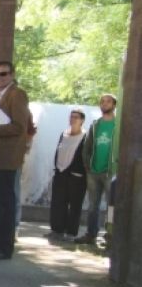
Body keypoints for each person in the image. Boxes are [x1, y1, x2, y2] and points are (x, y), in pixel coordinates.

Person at [0, 61, 30, 260]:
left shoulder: (17, 94)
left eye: (3, 74)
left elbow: (19, 126)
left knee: (6, 203)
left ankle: (5, 246)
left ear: (12, 74)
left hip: (8, 158)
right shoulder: (0, 96)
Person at [75, 94, 118, 245]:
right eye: (102, 101)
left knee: (111, 206)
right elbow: (87, 147)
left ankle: (111, 237)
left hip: (110, 172)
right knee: (93, 205)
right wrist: (87, 165)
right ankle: (90, 234)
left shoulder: (119, 125)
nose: (104, 104)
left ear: (114, 105)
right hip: (93, 172)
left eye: (108, 101)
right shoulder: (95, 125)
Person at [46, 109, 87, 241]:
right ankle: (57, 230)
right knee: (58, 202)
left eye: (76, 117)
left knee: (75, 204)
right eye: (71, 117)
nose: (73, 119)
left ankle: (71, 232)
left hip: (76, 175)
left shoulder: (85, 136)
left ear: (82, 121)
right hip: (60, 172)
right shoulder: (63, 134)